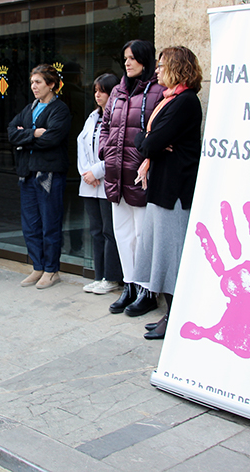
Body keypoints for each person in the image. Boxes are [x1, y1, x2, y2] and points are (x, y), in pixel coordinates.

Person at [133, 46, 203, 339]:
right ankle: (170, 315)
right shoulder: (168, 101)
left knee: (171, 259)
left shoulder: (186, 102)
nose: (157, 70)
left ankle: (176, 319)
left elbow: (148, 143)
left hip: (175, 191)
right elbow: (145, 138)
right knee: (160, 255)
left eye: (162, 66)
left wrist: (151, 140)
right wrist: (151, 139)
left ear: (177, 67)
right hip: (161, 188)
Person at [99, 40, 163, 316]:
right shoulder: (117, 91)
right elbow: (105, 125)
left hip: (140, 175)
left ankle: (147, 289)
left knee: (142, 235)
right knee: (123, 234)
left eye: (133, 58)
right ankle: (130, 285)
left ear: (145, 60)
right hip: (115, 173)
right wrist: (105, 150)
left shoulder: (158, 92)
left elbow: (158, 132)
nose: (127, 63)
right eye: (125, 58)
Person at [9, 65, 72, 289]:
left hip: (49, 175)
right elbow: (10, 132)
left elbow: (52, 139)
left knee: (50, 224)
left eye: (38, 82)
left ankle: (51, 270)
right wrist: (33, 133)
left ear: (51, 84)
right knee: (30, 225)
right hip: (27, 174)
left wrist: (23, 137)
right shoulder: (29, 108)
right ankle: (38, 266)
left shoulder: (60, 110)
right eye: (32, 82)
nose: (33, 86)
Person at [77, 73, 124, 295]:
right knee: (95, 230)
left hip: (107, 182)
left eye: (102, 90)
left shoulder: (118, 117)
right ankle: (99, 275)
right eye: (95, 90)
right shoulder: (92, 117)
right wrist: (87, 172)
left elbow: (117, 151)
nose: (97, 94)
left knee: (109, 231)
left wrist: (97, 171)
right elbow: (81, 144)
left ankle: (112, 277)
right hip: (89, 183)